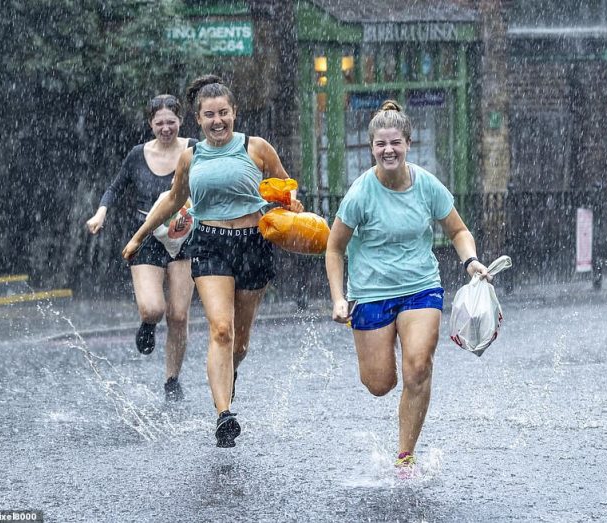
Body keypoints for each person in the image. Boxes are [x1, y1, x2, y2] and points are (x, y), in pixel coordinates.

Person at [122, 75, 303, 448]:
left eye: (223, 113)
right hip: (210, 244)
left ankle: (228, 376)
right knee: (221, 329)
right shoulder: (192, 156)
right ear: (198, 119)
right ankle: (224, 415)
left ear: (234, 113)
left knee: (239, 343)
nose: (217, 120)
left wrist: (292, 204)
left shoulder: (257, 148)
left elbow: (285, 187)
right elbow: (172, 201)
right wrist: (140, 236)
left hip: (254, 243)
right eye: (209, 115)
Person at [324, 100, 491, 472]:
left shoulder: (427, 185)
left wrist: (471, 261)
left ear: (408, 144)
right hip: (370, 293)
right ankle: (387, 362)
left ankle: (404, 456)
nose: (388, 150)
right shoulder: (360, 193)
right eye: (381, 144)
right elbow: (334, 248)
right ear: (371, 148)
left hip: (420, 287)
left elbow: (458, 230)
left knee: (418, 367)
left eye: (395, 143)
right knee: (379, 383)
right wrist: (338, 298)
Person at [86, 94, 197, 401]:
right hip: (146, 235)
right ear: (150, 124)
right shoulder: (138, 154)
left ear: (180, 121)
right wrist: (101, 212)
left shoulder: (193, 150)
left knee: (178, 315)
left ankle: (172, 380)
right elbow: (115, 187)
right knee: (154, 308)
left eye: (171, 122)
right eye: (159, 123)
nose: (165, 128)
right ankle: (148, 324)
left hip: (183, 236)